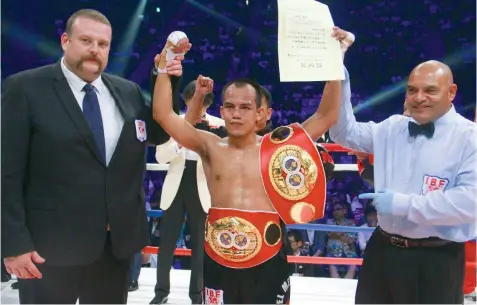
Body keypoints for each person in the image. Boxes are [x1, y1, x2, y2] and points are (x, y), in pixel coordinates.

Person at [151, 28, 352, 304]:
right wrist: (166, 65)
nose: (235, 113)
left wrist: (335, 59)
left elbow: (327, 115)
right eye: (230, 106)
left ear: (259, 113)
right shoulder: (209, 147)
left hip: (267, 260)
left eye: (245, 107)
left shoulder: (278, 147)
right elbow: (163, 114)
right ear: (221, 111)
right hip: (218, 258)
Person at [1, 9, 181, 304]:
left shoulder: (128, 91)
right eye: (86, 40)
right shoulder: (25, 88)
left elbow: (159, 132)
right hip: (48, 248)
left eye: (103, 44)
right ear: (65, 41)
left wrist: (165, 78)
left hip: (114, 247)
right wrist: (13, 242)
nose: (95, 50)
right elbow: (6, 172)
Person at [329, 35, 477, 303]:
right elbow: (343, 132)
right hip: (383, 250)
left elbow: (470, 202)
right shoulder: (391, 127)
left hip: (437, 258)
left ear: (451, 92)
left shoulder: (470, 138)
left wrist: (402, 204)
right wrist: (338, 71)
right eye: (412, 90)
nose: (419, 98)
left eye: (430, 90)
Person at [150, 77, 224, 304]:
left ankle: (197, 295)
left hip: (203, 188)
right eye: (193, 99)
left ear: (208, 102)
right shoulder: (173, 121)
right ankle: (161, 293)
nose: (197, 104)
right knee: (166, 245)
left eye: (201, 100)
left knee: (201, 248)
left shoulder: (219, 125)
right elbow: (160, 157)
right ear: (186, 100)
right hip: (176, 184)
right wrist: (180, 141)